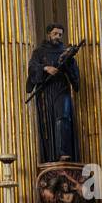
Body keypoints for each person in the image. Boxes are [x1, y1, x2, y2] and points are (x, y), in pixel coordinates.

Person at [26, 22, 80, 161]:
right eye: (55, 34)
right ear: (49, 34)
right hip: (46, 90)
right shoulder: (39, 51)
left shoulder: (66, 51)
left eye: (60, 35)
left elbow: (74, 72)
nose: (58, 37)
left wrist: (67, 61)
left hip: (61, 87)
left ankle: (63, 152)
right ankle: (51, 156)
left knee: (63, 116)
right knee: (48, 122)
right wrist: (46, 68)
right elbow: (33, 67)